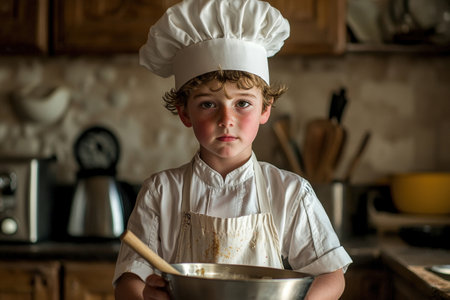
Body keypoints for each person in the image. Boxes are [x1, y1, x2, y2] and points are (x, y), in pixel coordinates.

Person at [114, 0, 352, 299]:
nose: (226, 120)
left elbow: (331, 274)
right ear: (185, 113)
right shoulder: (161, 192)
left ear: (265, 109)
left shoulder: (290, 192)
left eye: (242, 103)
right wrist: (147, 296)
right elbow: (128, 280)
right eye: (208, 104)